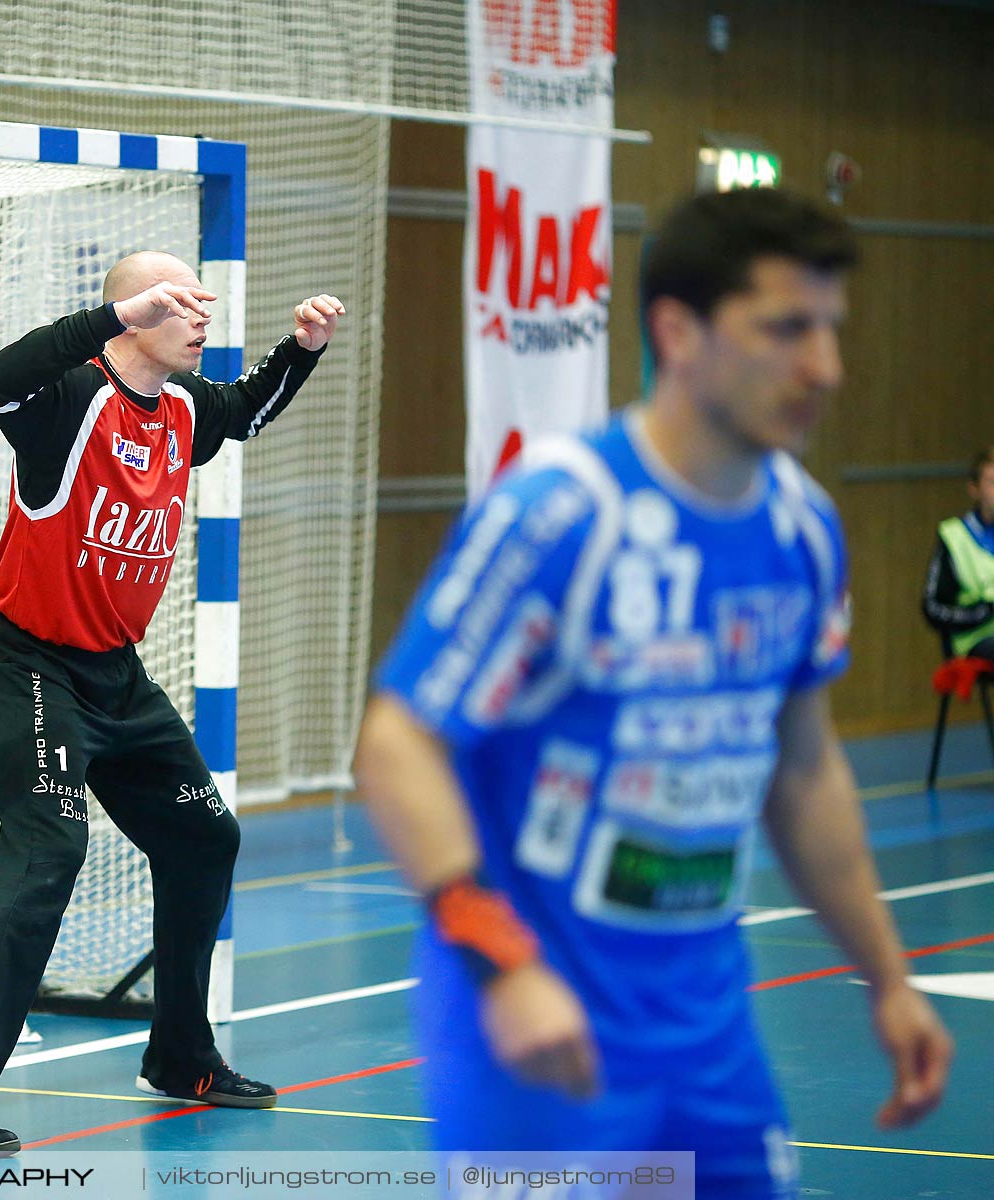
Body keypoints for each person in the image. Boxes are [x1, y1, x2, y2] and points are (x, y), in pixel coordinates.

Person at [353, 190, 952, 1196]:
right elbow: (399, 742)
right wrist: (506, 967)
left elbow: (803, 770)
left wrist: (889, 980)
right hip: (541, 1037)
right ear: (678, 330)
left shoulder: (803, 529)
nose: (826, 369)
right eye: (786, 329)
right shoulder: (562, 514)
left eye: (831, 330)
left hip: (709, 1033)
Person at [0, 251, 345, 1154]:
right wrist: (110, 315)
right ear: (134, 314)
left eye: (198, 302)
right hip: (31, 668)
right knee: (47, 854)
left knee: (204, 834)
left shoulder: (183, 410)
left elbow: (249, 409)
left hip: (116, 675)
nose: (200, 316)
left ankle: (181, 1054)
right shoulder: (66, 401)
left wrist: (301, 351)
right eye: (178, 303)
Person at [921, 446, 994, 663]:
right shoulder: (955, 537)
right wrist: (984, 612)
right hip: (973, 641)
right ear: (974, 488)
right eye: (992, 482)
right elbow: (932, 608)